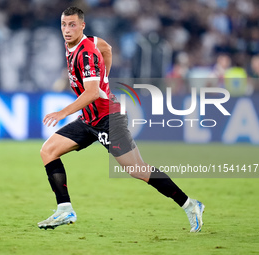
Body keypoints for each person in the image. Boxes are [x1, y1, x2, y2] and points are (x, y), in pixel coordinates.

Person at [38, 6, 205, 232]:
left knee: (137, 170)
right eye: (64, 25)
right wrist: (104, 75)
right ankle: (64, 209)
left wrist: (62, 112)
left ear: (82, 26)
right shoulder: (88, 42)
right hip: (89, 120)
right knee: (48, 151)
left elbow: (93, 92)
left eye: (72, 25)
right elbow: (107, 47)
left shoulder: (86, 52)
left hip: (109, 119)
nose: (67, 30)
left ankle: (190, 204)